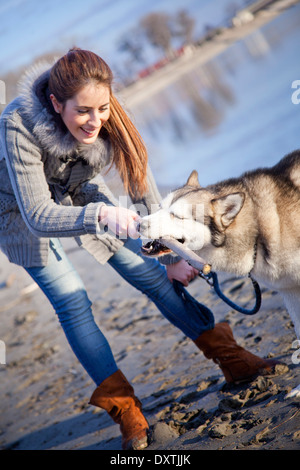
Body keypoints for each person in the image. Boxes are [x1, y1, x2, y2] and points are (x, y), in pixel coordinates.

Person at [0, 48, 279, 450]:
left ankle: (233, 360)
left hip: (77, 190)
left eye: (103, 108)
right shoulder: (17, 124)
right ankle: (125, 408)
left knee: (150, 274)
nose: (96, 121)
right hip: (18, 210)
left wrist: (167, 255)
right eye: (83, 112)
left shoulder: (102, 105)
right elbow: (38, 215)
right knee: (73, 300)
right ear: (55, 103)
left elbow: (139, 179)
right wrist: (101, 215)